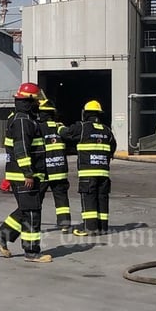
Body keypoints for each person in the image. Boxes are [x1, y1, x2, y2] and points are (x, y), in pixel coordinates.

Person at [0, 83, 52, 263]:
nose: (39, 105)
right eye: (36, 102)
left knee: (25, 209)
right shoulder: (23, 120)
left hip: (22, 174)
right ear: (30, 101)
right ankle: (32, 252)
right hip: (25, 176)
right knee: (32, 212)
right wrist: (28, 173)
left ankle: (2, 236)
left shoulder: (19, 117)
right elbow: (21, 148)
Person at [60, 100, 116, 237]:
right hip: (103, 173)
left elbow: (66, 133)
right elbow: (113, 147)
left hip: (88, 172)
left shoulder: (82, 127)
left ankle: (90, 228)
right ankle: (103, 228)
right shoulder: (106, 130)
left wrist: (59, 127)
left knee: (89, 199)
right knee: (102, 199)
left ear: (85, 114)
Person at [37, 99, 72, 233]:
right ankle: (64, 224)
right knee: (61, 198)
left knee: (37, 199)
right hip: (60, 169)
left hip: (45, 170)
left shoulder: (38, 128)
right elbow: (69, 137)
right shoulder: (60, 127)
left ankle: (34, 224)